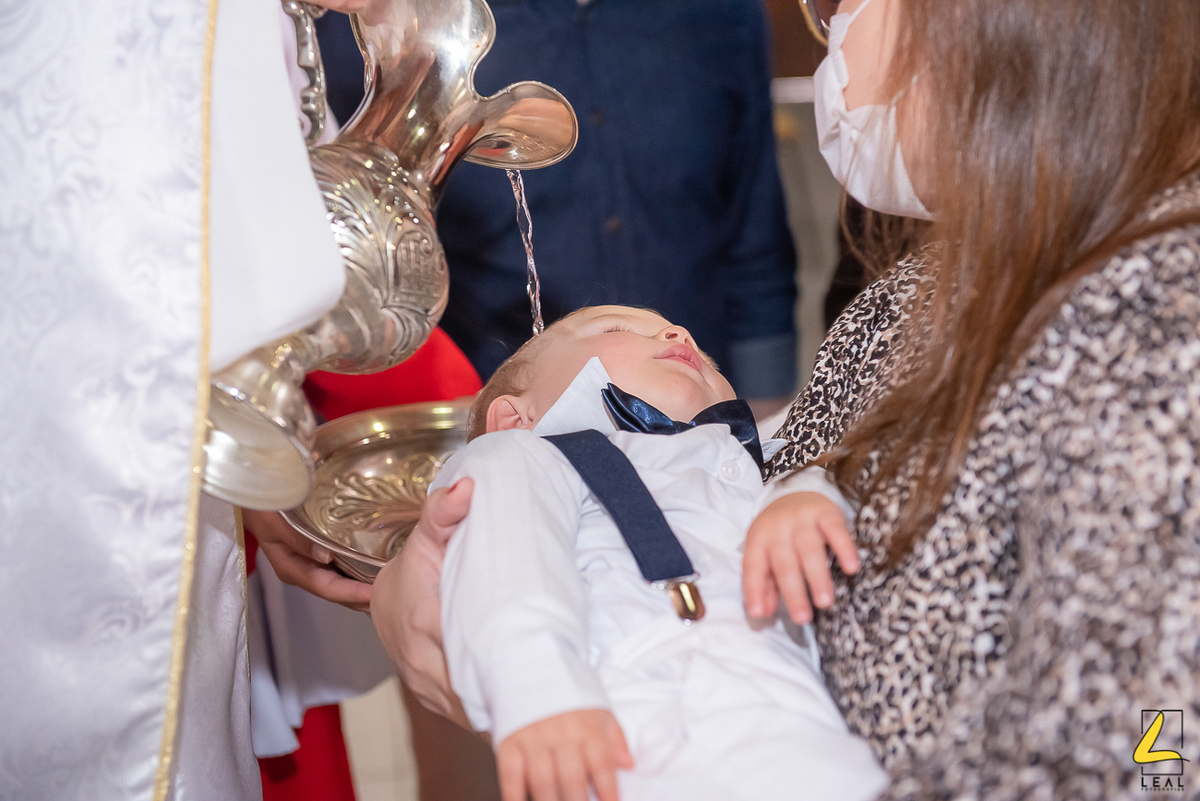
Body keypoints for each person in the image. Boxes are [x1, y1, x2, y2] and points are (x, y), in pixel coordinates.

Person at [372, 0, 1200, 797]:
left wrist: (1160, 767)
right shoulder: (911, 296)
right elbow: (782, 472)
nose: (833, 32)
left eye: (850, 3)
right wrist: (425, 589)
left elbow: (1159, 727)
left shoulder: (1155, 323)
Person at [434, 304, 885, 801]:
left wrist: (804, 495)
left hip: (806, 725)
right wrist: (541, 694)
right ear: (517, 419)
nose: (679, 331)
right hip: (636, 722)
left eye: (705, 352)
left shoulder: (767, 470)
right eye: (616, 328)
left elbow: (858, 496)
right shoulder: (525, 453)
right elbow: (506, 555)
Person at [431, 0, 800, 416]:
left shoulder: (723, 14)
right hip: (485, 404)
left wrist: (765, 423)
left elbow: (755, 227)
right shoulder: (423, 21)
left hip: (699, 408)